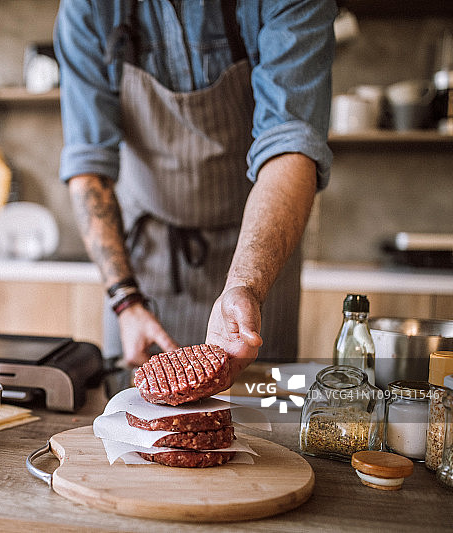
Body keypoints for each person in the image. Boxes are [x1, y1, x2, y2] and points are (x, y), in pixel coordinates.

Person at [54, 0, 336, 388]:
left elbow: (291, 147)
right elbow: (89, 168)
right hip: (146, 264)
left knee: (263, 422)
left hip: (257, 256)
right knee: (135, 421)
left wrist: (245, 285)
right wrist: (125, 299)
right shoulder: (89, 8)